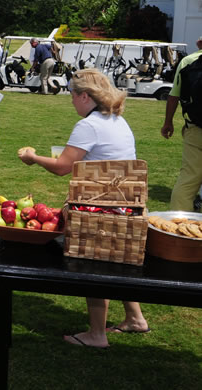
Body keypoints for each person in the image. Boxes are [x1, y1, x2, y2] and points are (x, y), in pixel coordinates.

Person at [18, 68, 149, 348]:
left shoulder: (89, 125)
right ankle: (135, 318)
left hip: (102, 210)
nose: (71, 100)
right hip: (126, 207)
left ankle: (97, 334)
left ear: (85, 96)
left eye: (72, 95)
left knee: (94, 264)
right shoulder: (117, 120)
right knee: (116, 259)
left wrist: (33, 157)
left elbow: (62, 167)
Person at [161, 35, 202, 211]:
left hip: (196, 128)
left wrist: (168, 122)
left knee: (188, 179)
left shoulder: (188, 62)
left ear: (199, 43)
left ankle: (179, 222)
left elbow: (174, 96)